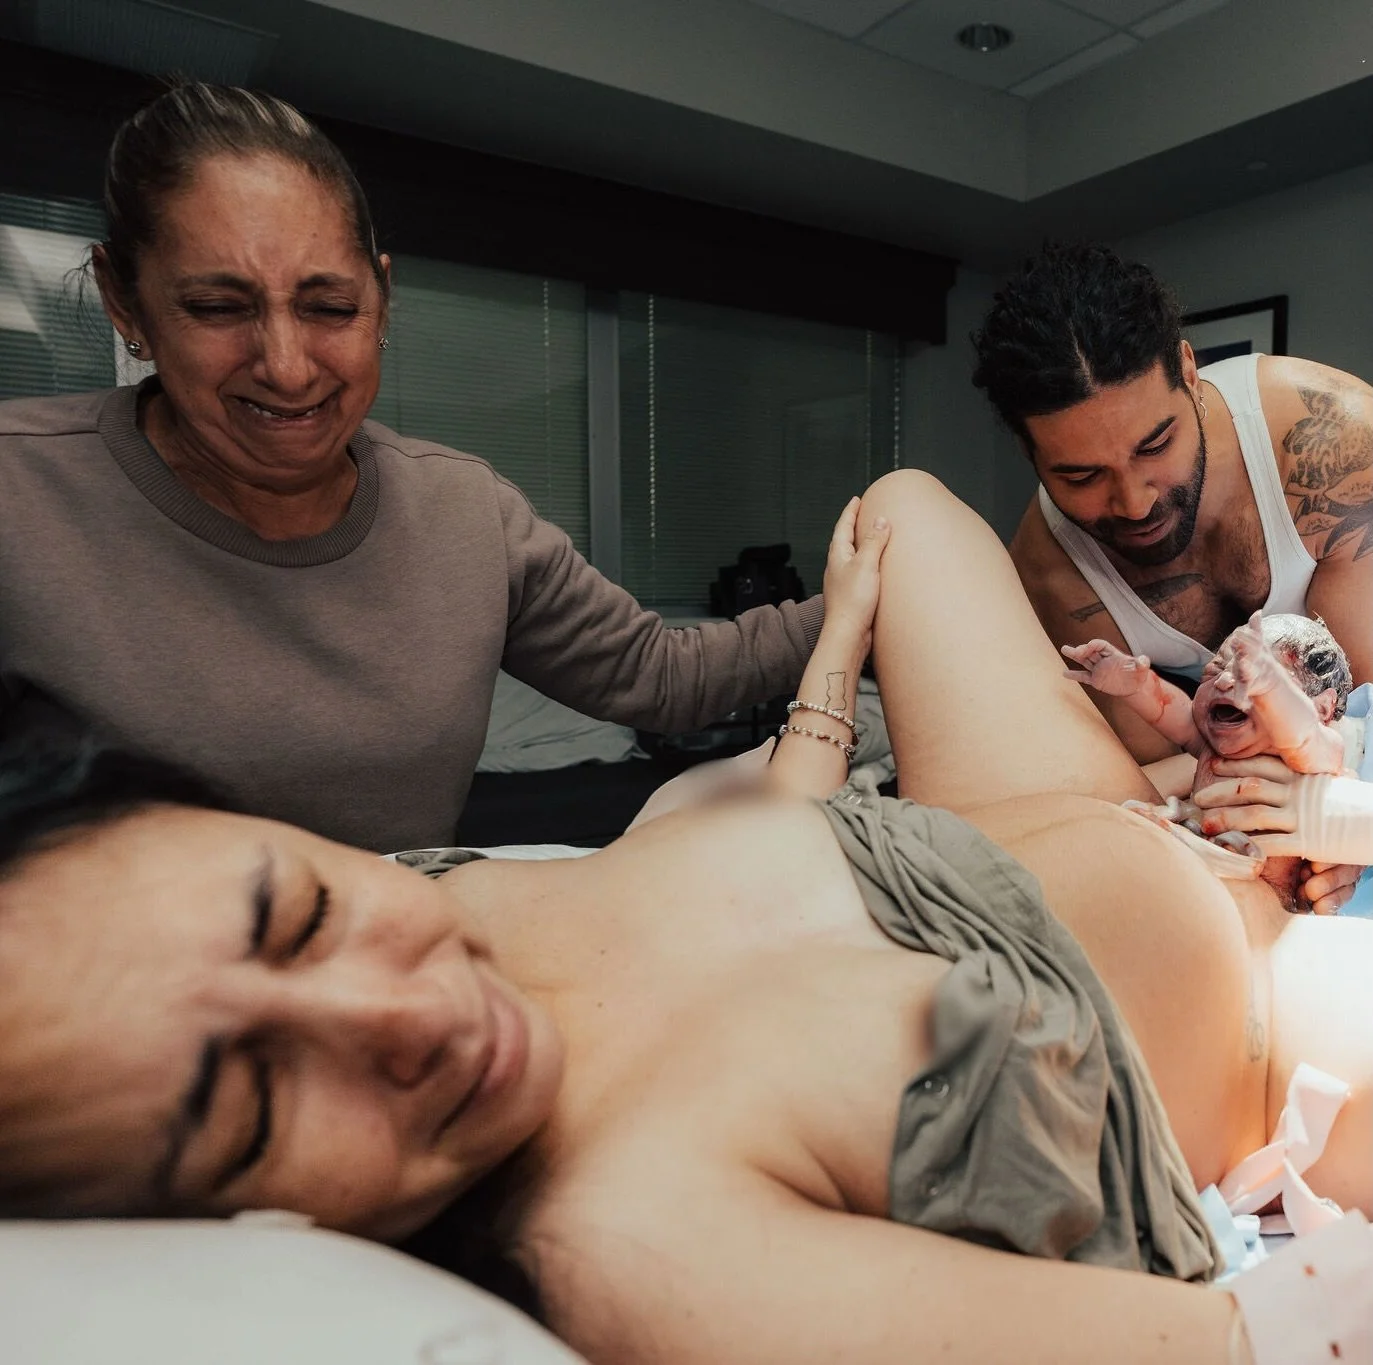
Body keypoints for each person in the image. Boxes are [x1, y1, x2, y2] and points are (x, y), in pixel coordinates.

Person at [1, 470, 1371, 1365]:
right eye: (254, 1108)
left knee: (896, 507)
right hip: (1257, 994)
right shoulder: (640, 1253)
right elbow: (1243, 1342)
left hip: (1023, 818)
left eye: (296, 916)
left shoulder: (426, 874)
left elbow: (763, 867)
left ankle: (1185, 758)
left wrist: (839, 639)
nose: (401, 1011)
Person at [0, 83, 822, 854]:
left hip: (396, 971)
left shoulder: (464, 511)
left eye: (329, 308)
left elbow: (661, 675)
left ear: (381, 300)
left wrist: (873, 591)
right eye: (217, 308)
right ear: (124, 301)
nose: (287, 366)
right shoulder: (19, 496)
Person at [971, 241, 1373, 912]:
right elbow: (1145, 779)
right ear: (1029, 452)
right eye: (1080, 475)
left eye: (1153, 445)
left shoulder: (1335, 444)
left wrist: (1343, 827)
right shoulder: (1050, 575)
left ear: (1187, 369)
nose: (1131, 502)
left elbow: (1363, 716)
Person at [1064, 612, 1353, 887]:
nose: (1225, 681)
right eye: (1215, 669)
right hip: (1191, 852)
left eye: (1252, 675)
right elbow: (1170, 711)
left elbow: (1302, 732)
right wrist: (1137, 685)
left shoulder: (1316, 753)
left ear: (1321, 709)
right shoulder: (1210, 743)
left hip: (1266, 889)